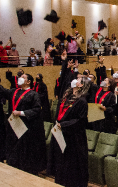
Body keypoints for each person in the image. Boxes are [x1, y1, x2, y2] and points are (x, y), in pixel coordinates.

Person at [47, 51, 89, 187]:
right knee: (61, 161)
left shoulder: (82, 101)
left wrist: (63, 125)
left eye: (78, 79)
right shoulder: (66, 96)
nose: (74, 79)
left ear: (81, 85)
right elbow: (63, 79)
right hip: (62, 134)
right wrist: (64, 63)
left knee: (71, 165)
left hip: (73, 138)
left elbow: (81, 121)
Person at [1, 72, 46, 174]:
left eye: (23, 77)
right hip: (14, 126)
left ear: (28, 81)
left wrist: (21, 113)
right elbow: (2, 91)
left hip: (26, 127)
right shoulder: (14, 91)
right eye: (20, 77)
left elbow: (37, 109)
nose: (20, 78)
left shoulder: (33, 94)